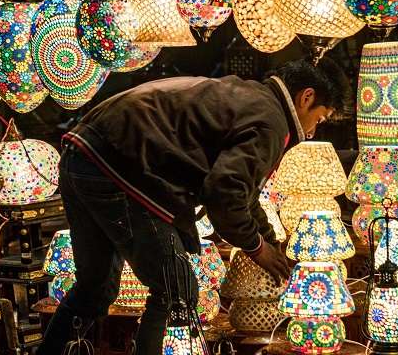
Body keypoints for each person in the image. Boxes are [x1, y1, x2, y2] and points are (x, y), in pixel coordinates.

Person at [37, 57, 349, 355]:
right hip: (121, 167)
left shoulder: (252, 98)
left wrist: (270, 241)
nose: (312, 132)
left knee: (95, 290)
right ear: (306, 97)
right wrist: (257, 247)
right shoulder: (271, 121)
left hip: (83, 155)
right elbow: (225, 194)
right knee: (177, 292)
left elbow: (245, 193)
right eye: (319, 119)